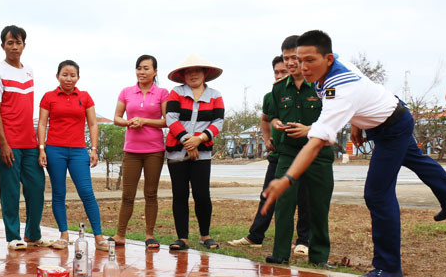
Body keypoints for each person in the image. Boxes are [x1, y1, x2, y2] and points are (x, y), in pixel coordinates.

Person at [263, 30, 446, 277]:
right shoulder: (336, 65)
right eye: (298, 59)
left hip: (392, 127)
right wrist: (357, 124)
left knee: (377, 194)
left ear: (328, 59)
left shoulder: (339, 90)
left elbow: (316, 142)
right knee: (418, 161)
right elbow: (365, 89)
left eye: (310, 60)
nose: (302, 66)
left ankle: (388, 266)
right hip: (389, 115)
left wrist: (286, 179)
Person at [228, 53, 311, 252]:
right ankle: (255, 236)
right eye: (277, 72)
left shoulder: (308, 89)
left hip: (302, 153)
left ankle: (303, 242)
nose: (280, 74)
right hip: (278, 155)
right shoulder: (273, 94)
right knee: (268, 195)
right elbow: (266, 119)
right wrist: (266, 139)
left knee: (303, 198)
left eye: (284, 70)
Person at [263, 35, 331, 266]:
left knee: (319, 205)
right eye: (286, 58)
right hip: (288, 153)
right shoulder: (279, 88)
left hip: (319, 153)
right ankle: (280, 253)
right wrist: (275, 124)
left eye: (294, 57)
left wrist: (309, 129)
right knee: (283, 203)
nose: (291, 63)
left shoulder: (323, 86)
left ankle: (319, 257)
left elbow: (334, 119)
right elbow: (271, 115)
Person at [0, 25, 48, 251]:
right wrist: (2, 143)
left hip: (30, 141)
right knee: (10, 191)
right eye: (10, 42)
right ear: (3, 45)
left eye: (19, 42)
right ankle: (13, 236)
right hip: (8, 142)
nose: (14, 46)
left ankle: (33, 234)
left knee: (36, 187)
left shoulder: (29, 71)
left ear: (24, 45)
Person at [38, 60, 106, 248]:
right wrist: (42, 149)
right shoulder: (48, 97)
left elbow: (93, 124)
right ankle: (64, 235)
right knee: (59, 193)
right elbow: (42, 123)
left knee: (87, 192)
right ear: (58, 76)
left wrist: (93, 149)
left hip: (78, 151)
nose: (68, 78)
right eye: (65, 74)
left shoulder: (84, 97)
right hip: (54, 150)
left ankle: (99, 237)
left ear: (78, 77)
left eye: (72, 75)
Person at [165, 54, 225, 251]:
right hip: (177, 153)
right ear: (183, 75)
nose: (193, 75)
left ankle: (205, 235)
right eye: (188, 71)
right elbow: (171, 118)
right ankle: (182, 237)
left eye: (197, 71)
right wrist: (187, 141)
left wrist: (199, 139)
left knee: (202, 194)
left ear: (204, 73)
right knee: (180, 194)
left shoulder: (215, 95)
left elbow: (218, 122)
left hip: (203, 152)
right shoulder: (176, 92)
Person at [112, 54, 169, 250]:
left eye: (146, 68)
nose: (141, 72)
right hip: (132, 150)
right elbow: (117, 118)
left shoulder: (162, 93)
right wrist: (130, 122)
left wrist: (144, 121)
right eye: (139, 68)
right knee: (127, 195)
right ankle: (120, 234)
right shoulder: (126, 92)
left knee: (150, 194)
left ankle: (150, 235)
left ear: (155, 71)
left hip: (154, 150)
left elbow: (167, 120)